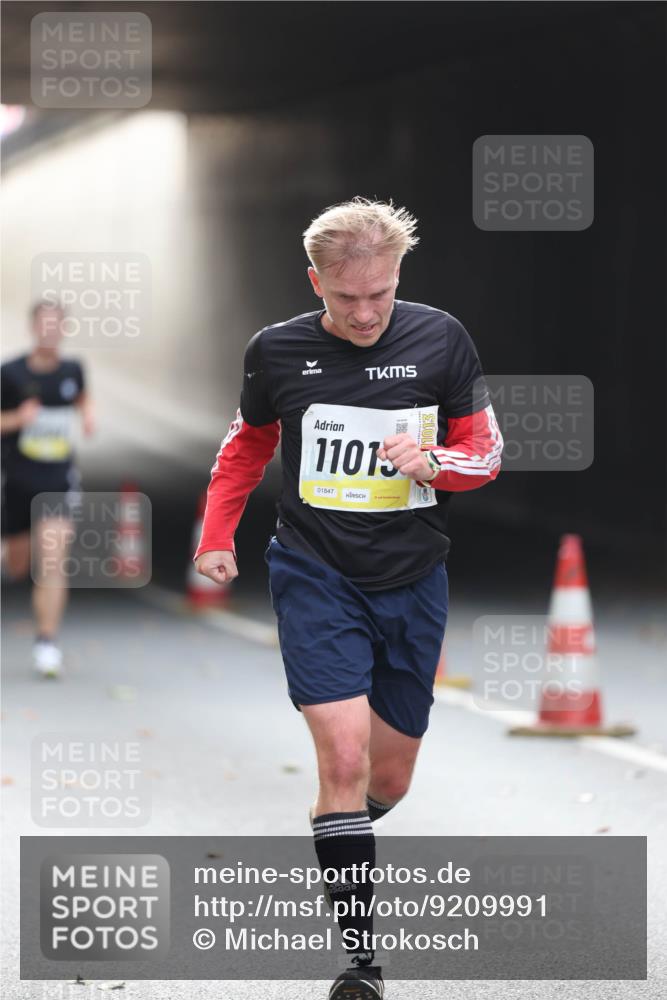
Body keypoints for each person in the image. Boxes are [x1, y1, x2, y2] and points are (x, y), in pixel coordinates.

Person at [194, 198, 502, 998]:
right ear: (315, 283)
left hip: (412, 577)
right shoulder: (277, 350)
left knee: (387, 780)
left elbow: (484, 452)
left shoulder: (441, 338)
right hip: (314, 571)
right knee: (342, 757)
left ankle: (340, 831)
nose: (364, 314)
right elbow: (246, 447)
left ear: (398, 276)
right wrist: (216, 534)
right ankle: (361, 961)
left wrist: (435, 463)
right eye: (345, 298)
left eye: (379, 295)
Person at [1, 301, 94, 677]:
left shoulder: (73, 370)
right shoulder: (10, 373)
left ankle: (46, 643)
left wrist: (88, 414)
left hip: (58, 482)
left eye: (56, 324)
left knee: (53, 563)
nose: (50, 331)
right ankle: (11, 559)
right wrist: (17, 419)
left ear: (64, 329)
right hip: (18, 482)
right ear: (33, 327)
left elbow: (82, 397)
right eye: (44, 324)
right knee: (18, 565)